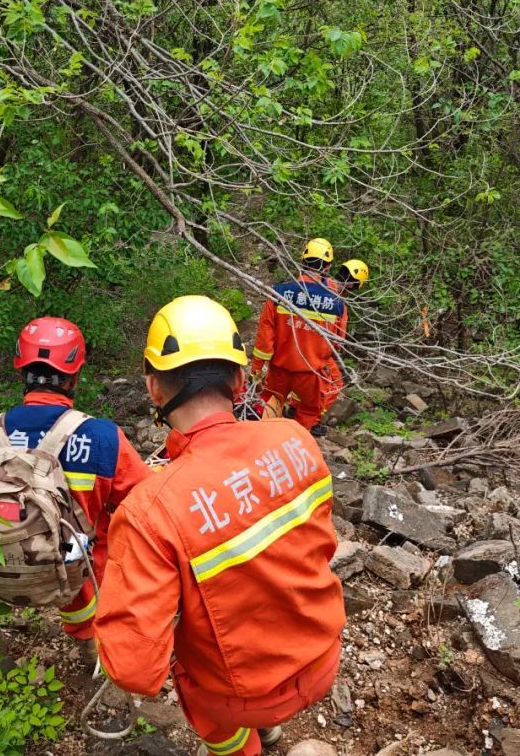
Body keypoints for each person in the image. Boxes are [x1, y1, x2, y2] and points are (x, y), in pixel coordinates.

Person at [95, 296, 345, 756]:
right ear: (241, 378)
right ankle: (271, 733)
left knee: (198, 690)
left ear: (153, 389)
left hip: (240, 698)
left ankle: (247, 744)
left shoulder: (149, 510)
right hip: (325, 655)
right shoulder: (296, 440)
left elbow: (133, 668)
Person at [0, 317, 148, 660]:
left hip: (14, 556)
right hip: (82, 567)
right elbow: (146, 499)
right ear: (75, 374)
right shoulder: (101, 437)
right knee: (86, 546)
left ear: (20, 369)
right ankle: (101, 648)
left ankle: (84, 640)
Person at [250, 238, 346, 436]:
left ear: (302, 261)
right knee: (309, 411)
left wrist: (257, 368)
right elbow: (337, 343)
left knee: (271, 405)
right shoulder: (336, 303)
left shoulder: (279, 293)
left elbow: (265, 335)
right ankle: (294, 443)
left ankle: (265, 441)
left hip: (279, 370)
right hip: (311, 373)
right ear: (327, 267)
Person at [320, 258, 370, 415]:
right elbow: (338, 337)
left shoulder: (317, 285)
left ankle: (294, 410)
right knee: (334, 383)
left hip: (297, 344)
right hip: (320, 351)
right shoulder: (337, 302)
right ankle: (313, 419)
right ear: (351, 284)